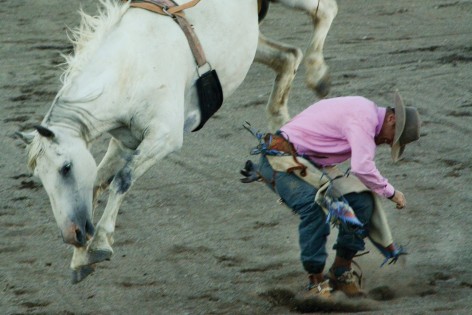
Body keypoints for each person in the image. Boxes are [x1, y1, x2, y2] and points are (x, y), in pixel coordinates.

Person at [240, 91, 420, 298]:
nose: (388, 142)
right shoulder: (364, 117)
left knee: (362, 201)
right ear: (391, 118)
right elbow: (362, 167)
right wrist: (392, 193)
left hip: (311, 165)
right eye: (392, 136)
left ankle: (341, 271)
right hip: (280, 161)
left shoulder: (363, 112)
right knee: (314, 207)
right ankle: (316, 280)